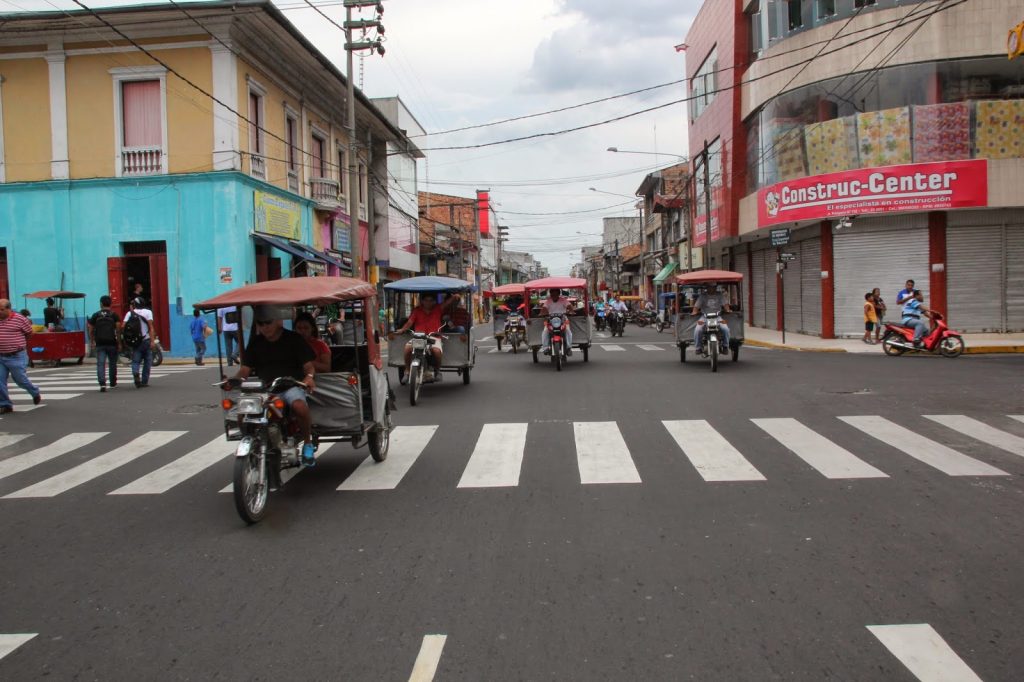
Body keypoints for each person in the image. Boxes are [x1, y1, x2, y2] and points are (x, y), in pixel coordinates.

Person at [229, 309, 317, 467]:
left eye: (268, 323)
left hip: (290, 386)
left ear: (278, 322)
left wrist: (309, 378)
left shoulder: (294, 339)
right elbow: (245, 370)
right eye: (260, 324)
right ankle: (251, 441)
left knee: (299, 406)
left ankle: (308, 444)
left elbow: (309, 367)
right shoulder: (256, 342)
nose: (264, 327)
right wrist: (234, 381)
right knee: (242, 414)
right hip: (266, 390)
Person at [390, 292, 458, 383]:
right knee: (407, 348)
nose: (428, 303)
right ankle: (407, 371)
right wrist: (402, 330)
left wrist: (454, 297)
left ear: (434, 302)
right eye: (426, 300)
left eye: (431, 300)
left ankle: (437, 371)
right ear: (422, 301)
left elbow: (446, 304)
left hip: (433, 337)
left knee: (436, 351)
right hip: (419, 337)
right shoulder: (416, 310)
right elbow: (410, 322)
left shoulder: (438, 309)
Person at [0, 299, 42, 413]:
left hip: (16, 355)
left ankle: (34, 392)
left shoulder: (20, 319)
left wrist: (19, 344)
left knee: (20, 379)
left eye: (2, 309)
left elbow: (29, 333)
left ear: (8, 309)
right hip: (1, 356)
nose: (0, 312)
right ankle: (5, 404)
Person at [88, 295, 121, 391]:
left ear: (101, 303)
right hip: (112, 342)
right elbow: (118, 330)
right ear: (110, 303)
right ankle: (113, 382)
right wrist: (119, 343)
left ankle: (102, 383)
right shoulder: (114, 315)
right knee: (112, 363)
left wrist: (92, 341)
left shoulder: (96, 315)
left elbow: (90, 329)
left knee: (101, 363)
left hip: (100, 343)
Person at [123, 297, 156, 388]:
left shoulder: (129, 313)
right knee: (148, 361)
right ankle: (144, 381)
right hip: (146, 339)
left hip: (135, 341)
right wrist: (152, 341)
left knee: (135, 361)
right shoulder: (148, 312)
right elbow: (151, 327)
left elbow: (123, 326)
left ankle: (136, 373)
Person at [692, 284, 731, 353]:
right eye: (710, 287)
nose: (712, 289)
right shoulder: (702, 296)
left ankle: (725, 346)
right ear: (707, 287)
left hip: (717, 317)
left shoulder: (720, 295)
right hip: (704, 317)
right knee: (698, 330)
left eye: (713, 287)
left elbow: (725, 305)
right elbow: (696, 306)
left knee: (725, 329)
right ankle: (698, 347)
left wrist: (727, 310)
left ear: (715, 287)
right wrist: (694, 312)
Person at [540, 288, 573, 355]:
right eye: (552, 293)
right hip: (551, 320)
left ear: (558, 294)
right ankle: (545, 348)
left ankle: (569, 347)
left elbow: (569, 306)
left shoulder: (563, 300)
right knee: (545, 332)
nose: (554, 295)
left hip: (563, 320)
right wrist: (542, 313)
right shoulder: (548, 301)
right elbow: (544, 309)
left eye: (555, 293)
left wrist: (571, 311)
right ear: (551, 294)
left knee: (568, 331)